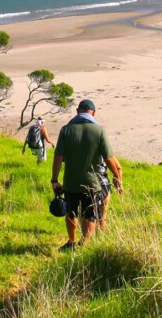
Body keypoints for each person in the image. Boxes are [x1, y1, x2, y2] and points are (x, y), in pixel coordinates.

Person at [51, 99, 123, 250]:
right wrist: (116, 175)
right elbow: (109, 159)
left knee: (71, 213)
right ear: (94, 113)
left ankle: (71, 242)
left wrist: (55, 180)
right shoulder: (99, 131)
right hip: (92, 183)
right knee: (89, 214)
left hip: (71, 181)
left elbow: (58, 157)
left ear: (77, 111)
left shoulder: (66, 130)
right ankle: (85, 244)